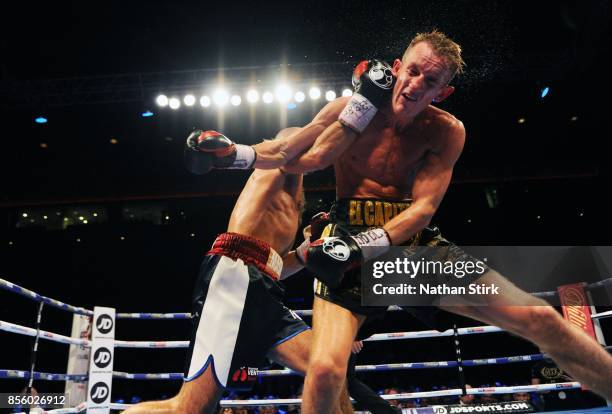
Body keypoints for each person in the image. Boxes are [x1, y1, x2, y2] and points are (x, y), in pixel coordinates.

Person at [194, 29, 612, 411]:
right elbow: (294, 155)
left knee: (539, 318)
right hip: (345, 234)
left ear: (442, 92)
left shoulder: (446, 131)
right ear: (396, 68)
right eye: (411, 72)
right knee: (323, 374)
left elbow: (423, 210)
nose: (414, 86)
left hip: (410, 243)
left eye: (429, 82)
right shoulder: (352, 110)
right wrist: (234, 155)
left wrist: (366, 245)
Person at [123, 128, 351, 414]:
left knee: (327, 368)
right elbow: (282, 147)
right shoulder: (273, 167)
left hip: (264, 288)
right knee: (190, 409)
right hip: (235, 275)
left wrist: (307, 252)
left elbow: (277, 265)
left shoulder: (294, 197)